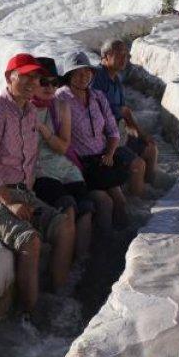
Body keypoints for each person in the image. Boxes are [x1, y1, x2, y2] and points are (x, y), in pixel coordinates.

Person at [0, 54, 77, 315]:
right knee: (29, 241)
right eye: (25, 76)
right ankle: (31, 316)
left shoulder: (29, 111)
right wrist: (11, 201)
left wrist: (25, 196)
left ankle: (59, 296)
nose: (32, 82)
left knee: (63, 226)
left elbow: (29, 160)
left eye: (35, 77)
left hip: (20, 189)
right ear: (9, 77)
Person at [30, 57, 95, 265]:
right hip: (40, 170)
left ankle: (80, 265)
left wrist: (46, 132)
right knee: (68, 208)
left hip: (63, 165)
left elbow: (63, 146)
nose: (50, 88)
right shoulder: (24, 109)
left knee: (85, 207)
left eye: (54, 83)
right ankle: (62, 277)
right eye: (44, 82)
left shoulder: (60, 107)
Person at [56, 51, 130, 230]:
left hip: (102, 161)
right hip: (79, 165)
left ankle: (125, 243)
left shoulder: (97, 96)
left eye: (87, 72)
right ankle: (104, 244)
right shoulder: (60, 98)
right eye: (78, 72)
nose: (83, 76)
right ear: (68, 75)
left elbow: (113, 131)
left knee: (120, 200)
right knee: (105, 202)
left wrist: (110, 153)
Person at [91, 39, 158, 197]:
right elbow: (96, 110)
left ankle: (150, 192)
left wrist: (141, 135)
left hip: (117, 133)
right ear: (106, 56)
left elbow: (125, 112)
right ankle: (137, 202)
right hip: (103, 139)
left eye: (126, 55)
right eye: (120, 54)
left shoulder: (116, 79)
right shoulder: (97, 77)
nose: (124, 59)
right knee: (138, 165)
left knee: (150, 149)